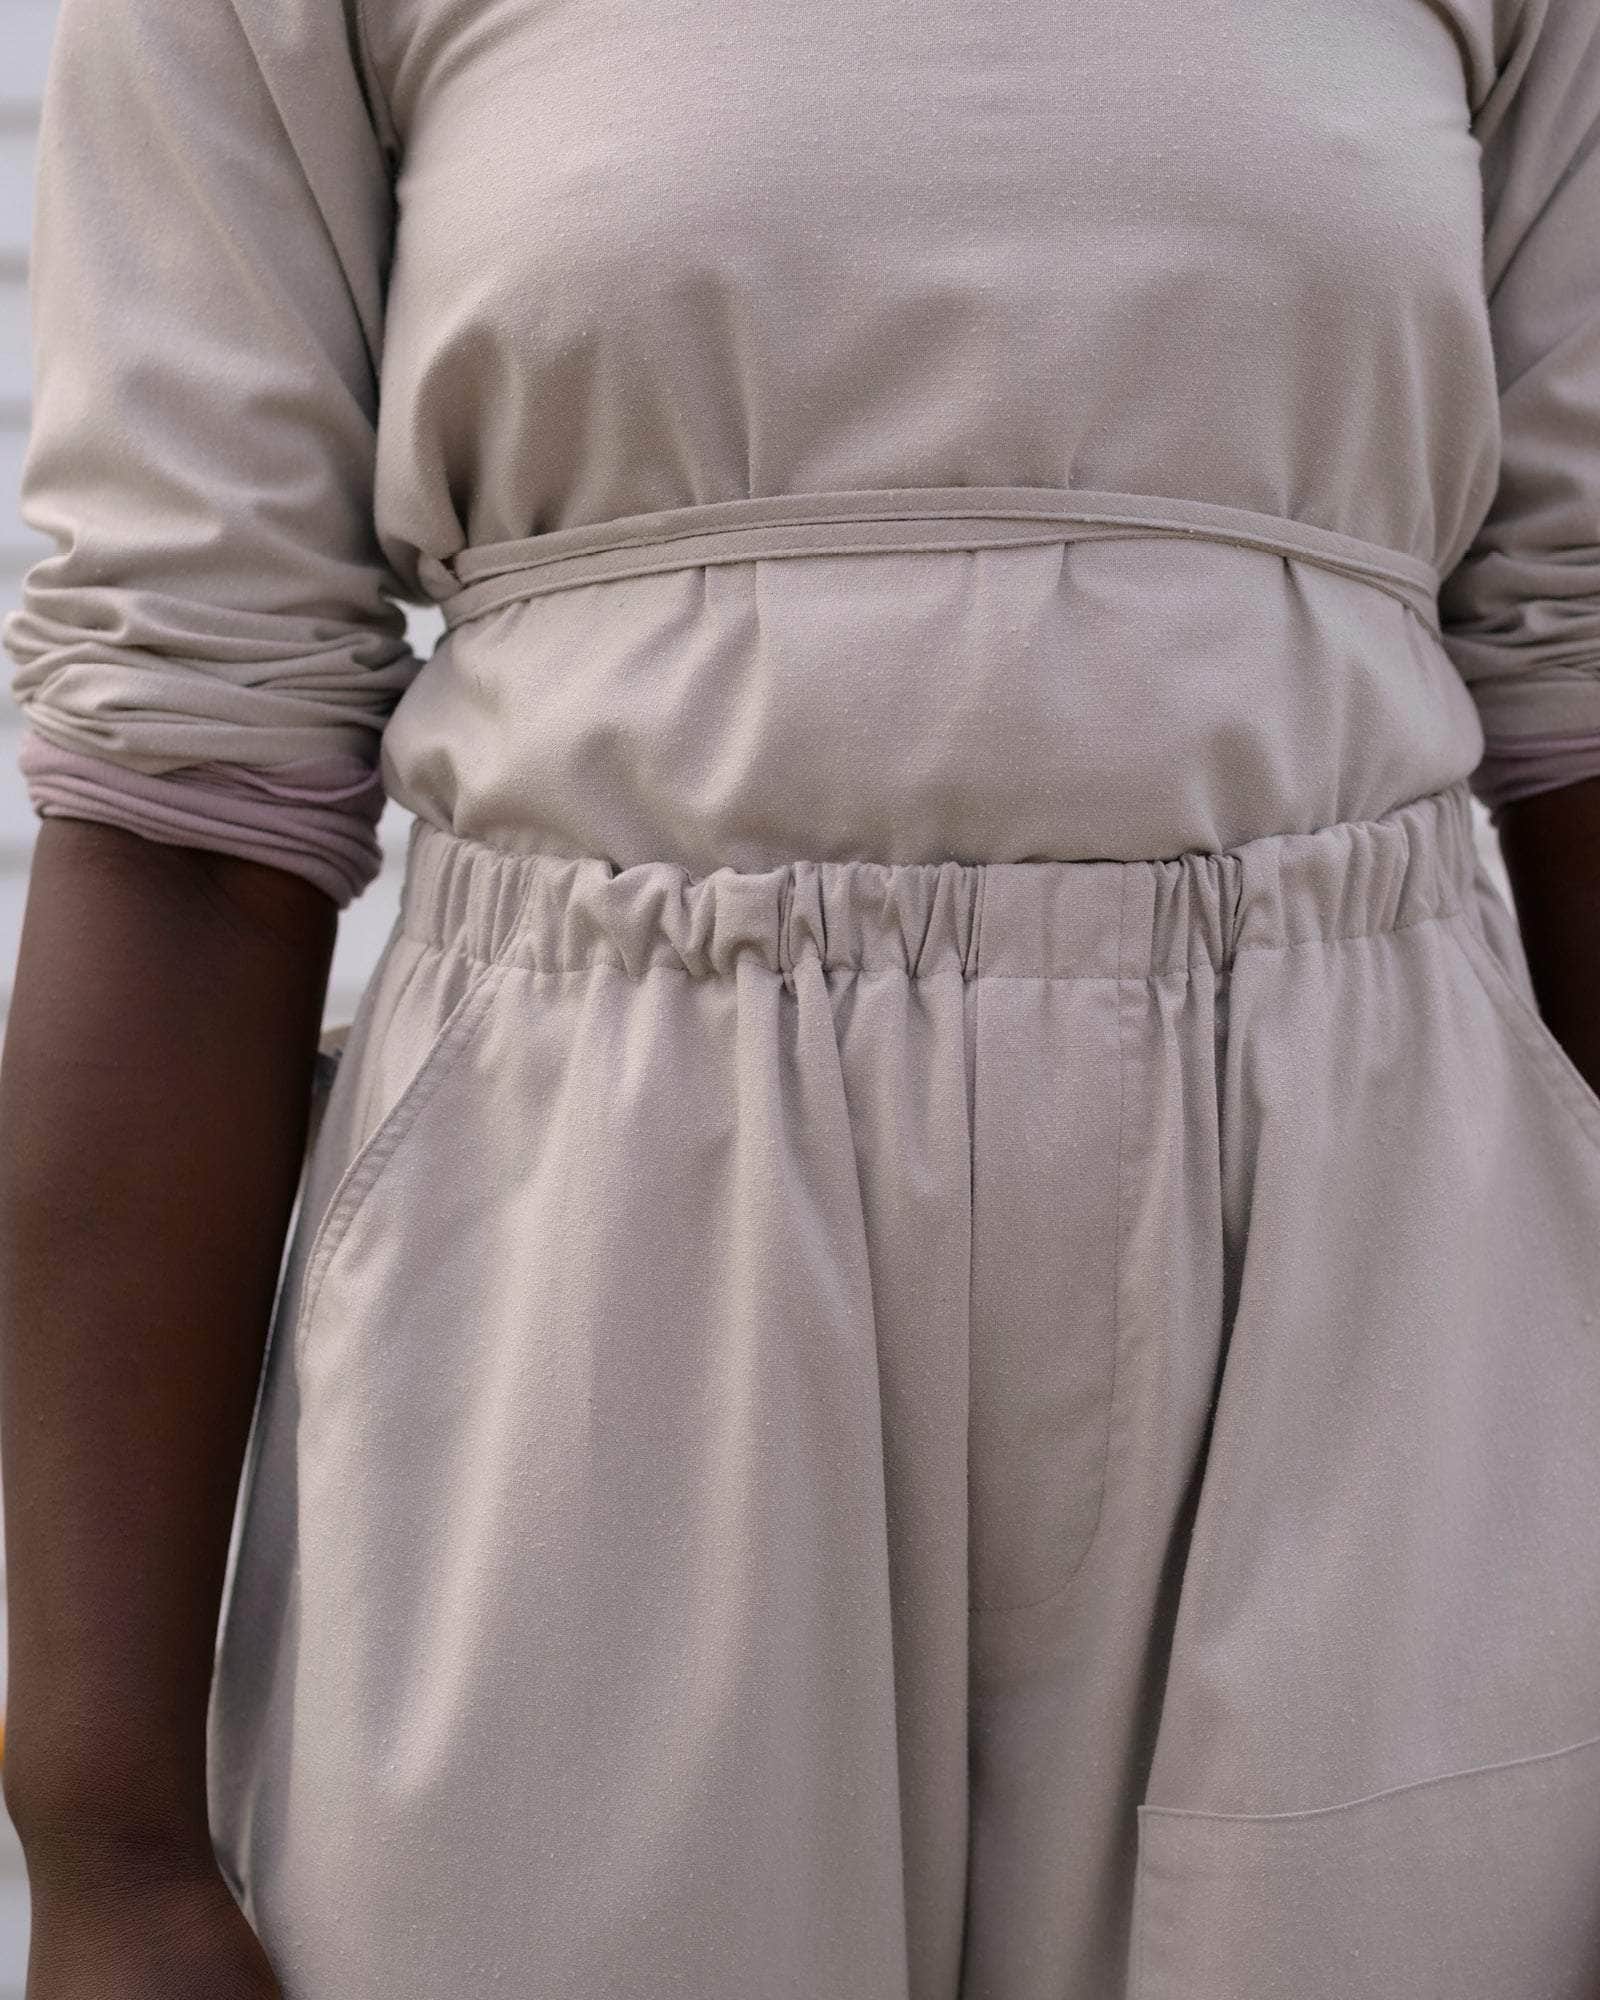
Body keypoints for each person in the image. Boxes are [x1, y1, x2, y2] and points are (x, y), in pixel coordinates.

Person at [2, 0, 1599, 1994]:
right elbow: (184, 800)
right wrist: (107, 1844)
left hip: (1371, 1261)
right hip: (595, 1278)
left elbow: (1581, 691)